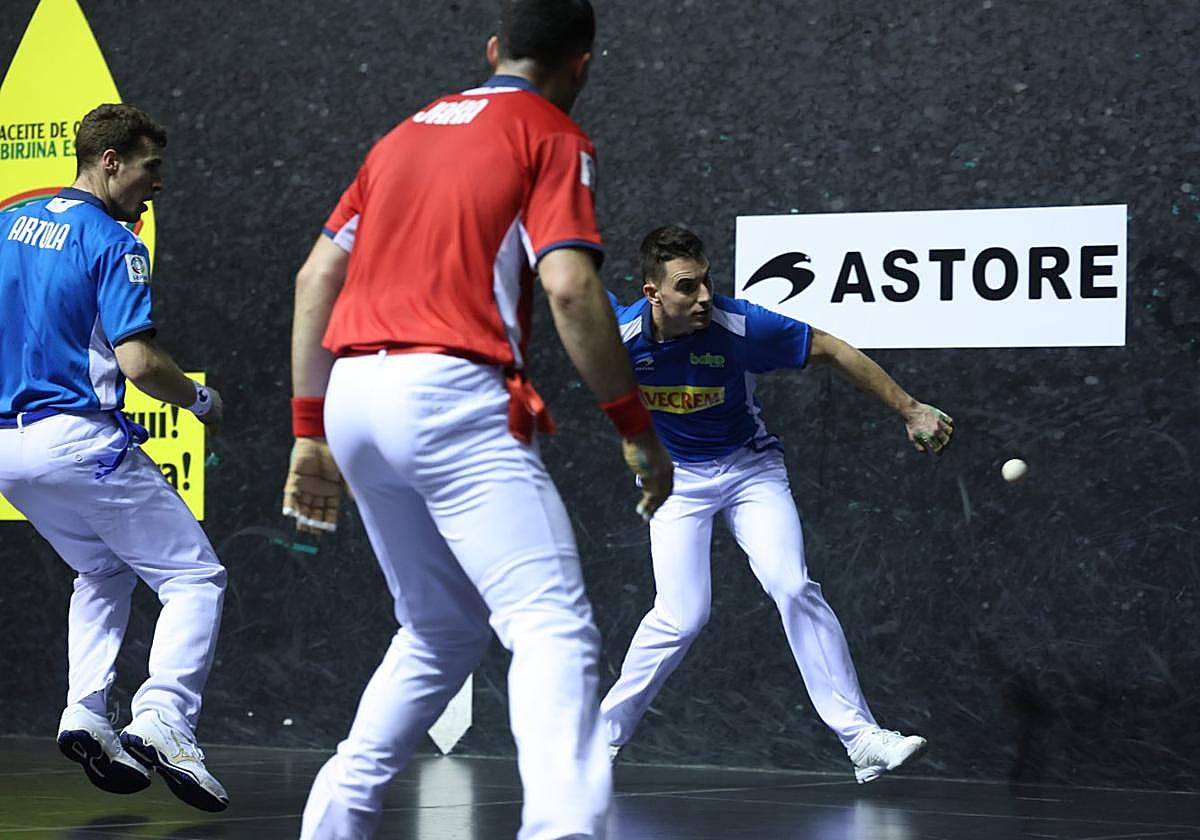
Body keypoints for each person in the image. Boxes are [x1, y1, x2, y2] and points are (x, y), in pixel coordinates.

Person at [280, 2, 673, 837]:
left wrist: (309, 429)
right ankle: (564, 830)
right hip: (448, 394)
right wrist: (635, 427)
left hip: (352, 393)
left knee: (438, 627)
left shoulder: (400, 137)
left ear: (493, 50)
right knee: (550, 626)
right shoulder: (550, 135)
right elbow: (569, 288)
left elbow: (318, 277)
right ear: (583, 66)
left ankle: (332, 822)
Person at [601, 225, 954, 782]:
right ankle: (599, 742)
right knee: (681, 616)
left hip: (750, 470)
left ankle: (862, 739)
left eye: (707, 283)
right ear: (652, 293)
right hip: (678, 482)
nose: (702, 299)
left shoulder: (739, 326)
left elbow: (832, 348)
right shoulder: (617, 335)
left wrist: (910, 409)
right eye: (686, 288)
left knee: (792, 584)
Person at [0, 104, 229, 811]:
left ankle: (86, 712)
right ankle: (164, 715)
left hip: (8, 450)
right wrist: (197, 400)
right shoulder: (114, 242)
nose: (156, 183)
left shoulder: (7, 225)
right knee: (195, 578)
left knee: (100, 569)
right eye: (149, 167)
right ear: (110, 161)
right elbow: (137, 361)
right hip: (79, 441)